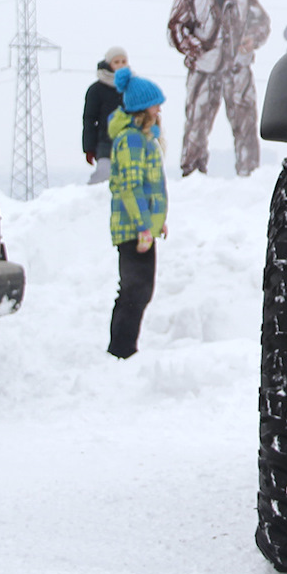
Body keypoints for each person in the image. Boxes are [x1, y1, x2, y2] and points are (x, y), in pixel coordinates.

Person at [166, 0, 271, 177]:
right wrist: (196, 50)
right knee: (197, 122)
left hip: (238, 69)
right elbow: (176, 28)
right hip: (204, 70)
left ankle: (249, 172)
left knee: (245, 123)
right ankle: (192, 173)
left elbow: (262, 22)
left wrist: (251, 38)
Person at [106, 66, 168, 359]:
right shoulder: (131, 140)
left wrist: (158, 222)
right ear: (143, 108)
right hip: (133, 228)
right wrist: (144, 226)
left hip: (141, 228)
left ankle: (123, 349)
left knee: (140, 290)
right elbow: (131, 188)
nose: (159, 109)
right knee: (135, 290)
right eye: (155, 104)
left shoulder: (142, 139)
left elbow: (150, 186)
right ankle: (121, 351)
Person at [81, 46, 128, 183]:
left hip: (129, 140)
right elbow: (89, 120)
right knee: (103, 174)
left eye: (123, 61)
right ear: (109, 64)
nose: (120, 65)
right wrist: (89, 148)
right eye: (116, 62)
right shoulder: (96, 90)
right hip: (105, 141)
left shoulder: (132, 87)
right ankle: (90, 200)